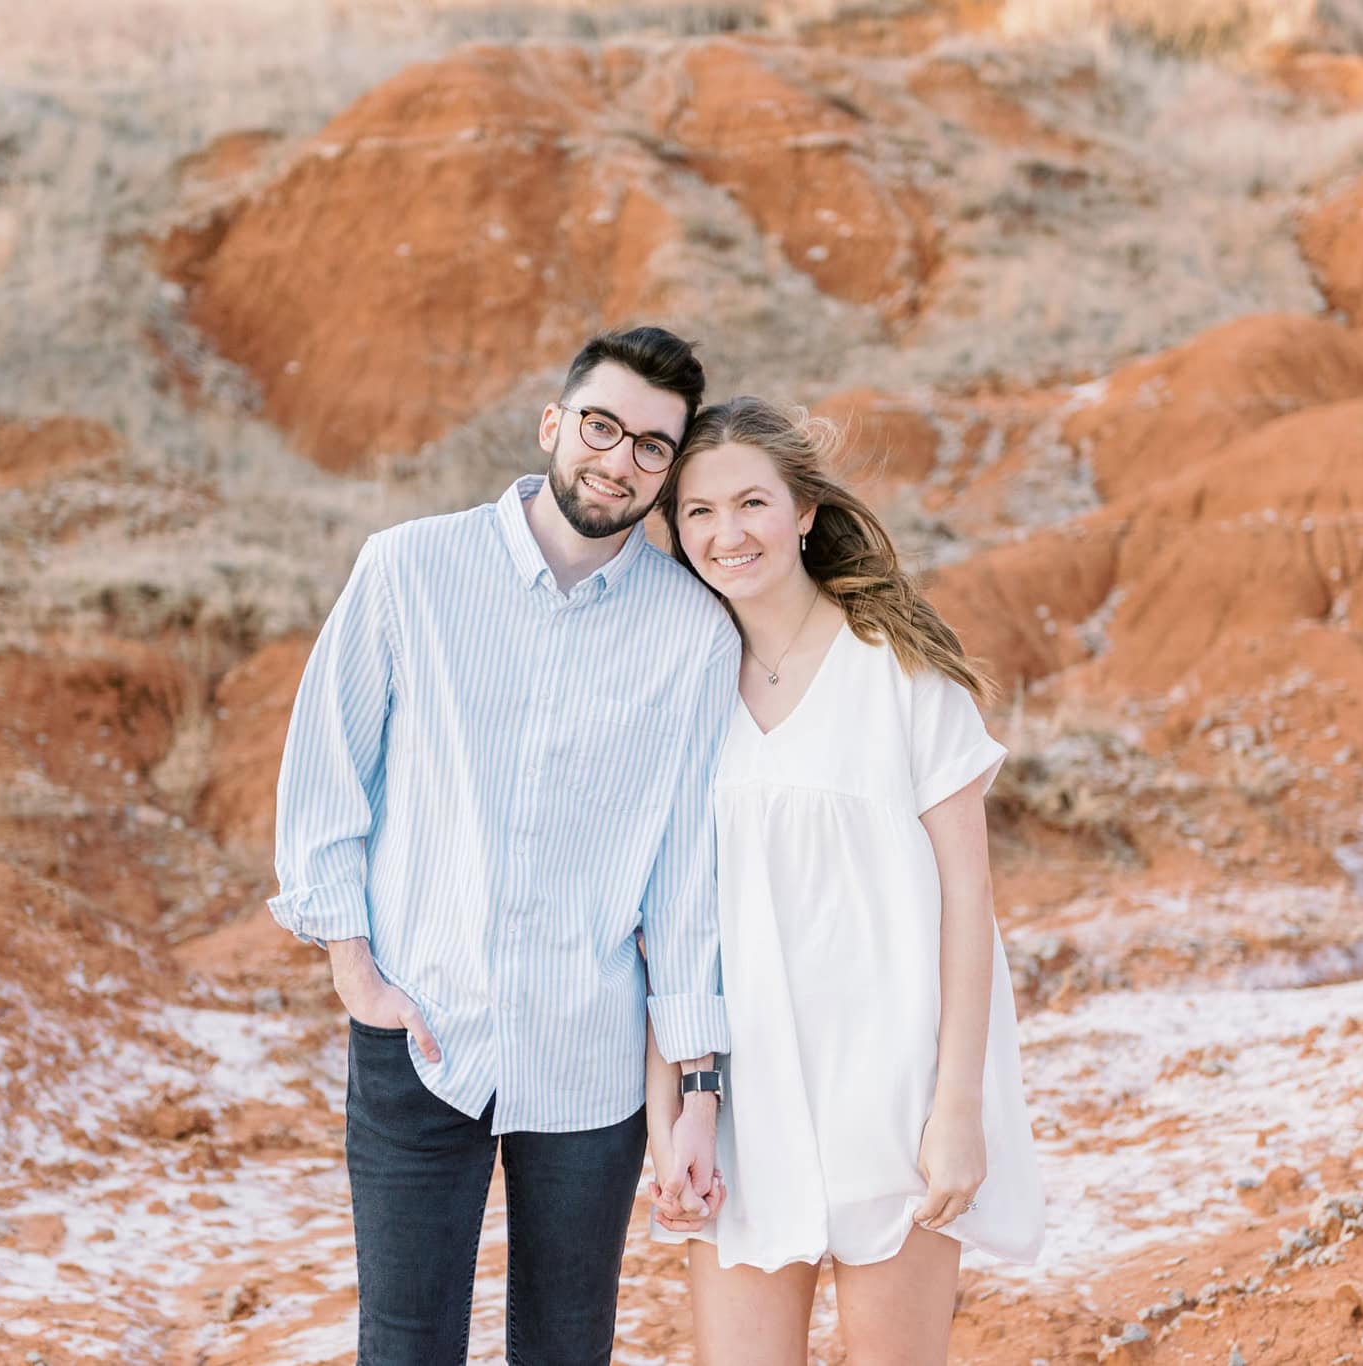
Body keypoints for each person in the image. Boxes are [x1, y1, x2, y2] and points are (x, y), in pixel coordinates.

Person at [269, 326, 739, 1365]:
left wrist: (697, 1091)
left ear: (667, 472)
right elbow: (324, 781)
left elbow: (686, 885)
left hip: (589, 1053)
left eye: (650, 447)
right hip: (420, 1028)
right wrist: (356, 974)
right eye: (601, 427)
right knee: (404, 1344)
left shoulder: (694, 633)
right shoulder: (408, 570)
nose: (617, 460)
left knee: (567, 1348)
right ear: (552, 423)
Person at [644, 397, 1044, 1364]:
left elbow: (967, 902)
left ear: (805, 511)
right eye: (699, 511)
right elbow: (666, 922)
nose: (728, 534)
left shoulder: (899, 672)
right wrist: (671, 1115)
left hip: (896, 1092)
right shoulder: (675, 688)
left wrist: (958, 1109)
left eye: (752, 502)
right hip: (739, 1103)